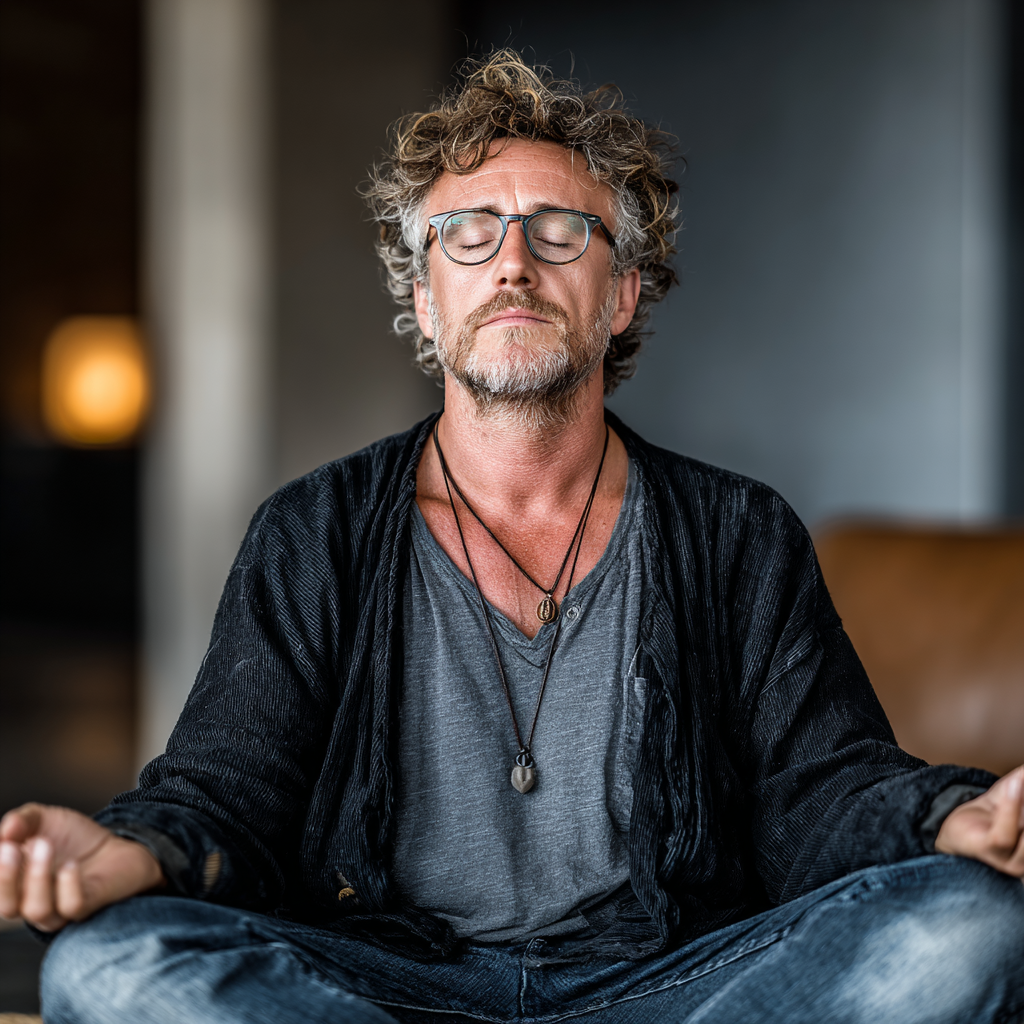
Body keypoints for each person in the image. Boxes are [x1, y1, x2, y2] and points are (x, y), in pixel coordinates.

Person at [2, 51, 1023, 1024]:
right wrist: (126, 850)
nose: (514, 265)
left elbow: (824, 788)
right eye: (469, 234)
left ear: (622, 293)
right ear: (425, 297)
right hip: (381, 988)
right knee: (107, 958)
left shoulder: (737, 533)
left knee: (972, 923)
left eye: (559, 232)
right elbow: (228, 793)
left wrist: (950, 816)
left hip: (672, 986)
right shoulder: (315, 531)